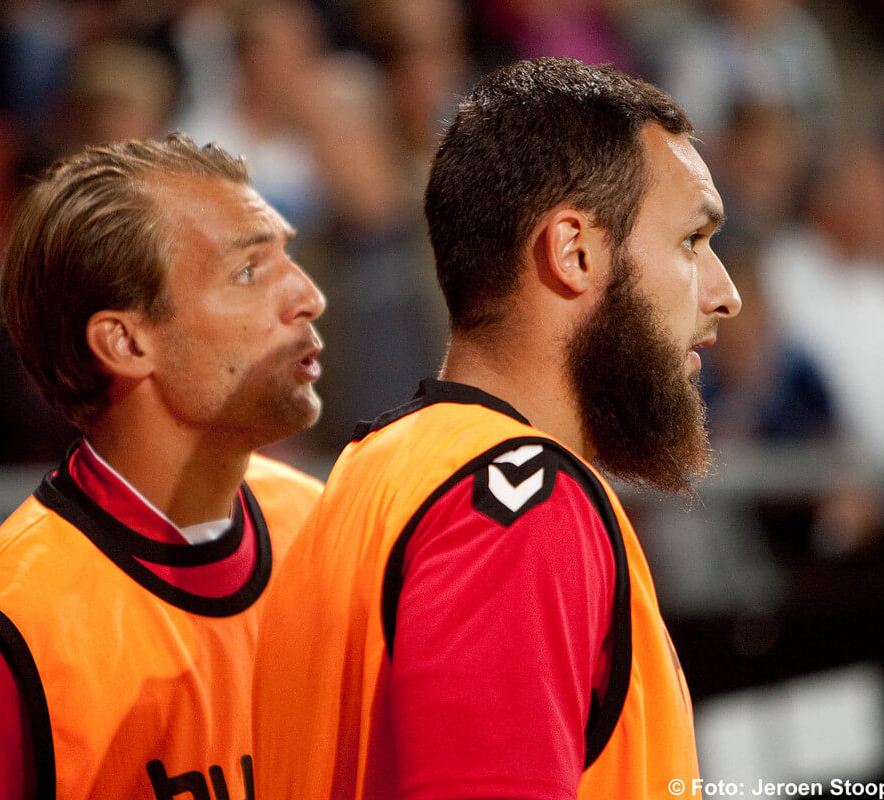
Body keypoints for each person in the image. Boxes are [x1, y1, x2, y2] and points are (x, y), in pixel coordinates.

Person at [253, 57, 742, 799]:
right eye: (689, 242)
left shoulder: (370, 472)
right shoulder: (519, 509)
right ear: (574, 251)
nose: (723, 293)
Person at [0, 132, 327, 799]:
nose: (308, 295)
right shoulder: (3, 638)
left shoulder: (329, 528)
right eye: (249, 272)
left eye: (290, 257)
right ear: (126, 341)